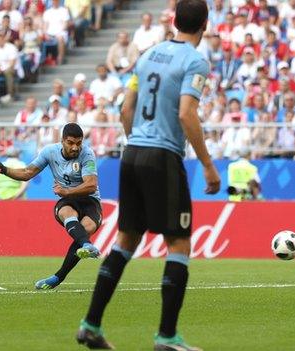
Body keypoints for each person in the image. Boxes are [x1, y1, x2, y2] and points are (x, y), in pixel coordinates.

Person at [76, 0, 220, 349]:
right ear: (204, 24)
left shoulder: (149, 55)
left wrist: (137, 141)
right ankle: (167, 337)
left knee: (126, 239)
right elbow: (187, 114)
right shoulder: (195, 61)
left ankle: (91, 324)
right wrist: (207, 164)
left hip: (133, 152)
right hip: (162, 157)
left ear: (173, 20)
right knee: (179, 242)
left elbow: (126, 108)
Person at [0, 123, 103, 290]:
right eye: (70, 143)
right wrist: (4, 169)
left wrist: (67, 191)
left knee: (87, 227)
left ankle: (59, 276)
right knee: (67, 213)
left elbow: (91, 185)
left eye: (78, 143)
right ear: (62, 141)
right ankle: (86, 245)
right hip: (68, 201)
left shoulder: (87, 153)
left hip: (89, 200)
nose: (75, 147)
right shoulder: (50, 152)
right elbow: (27, 173)